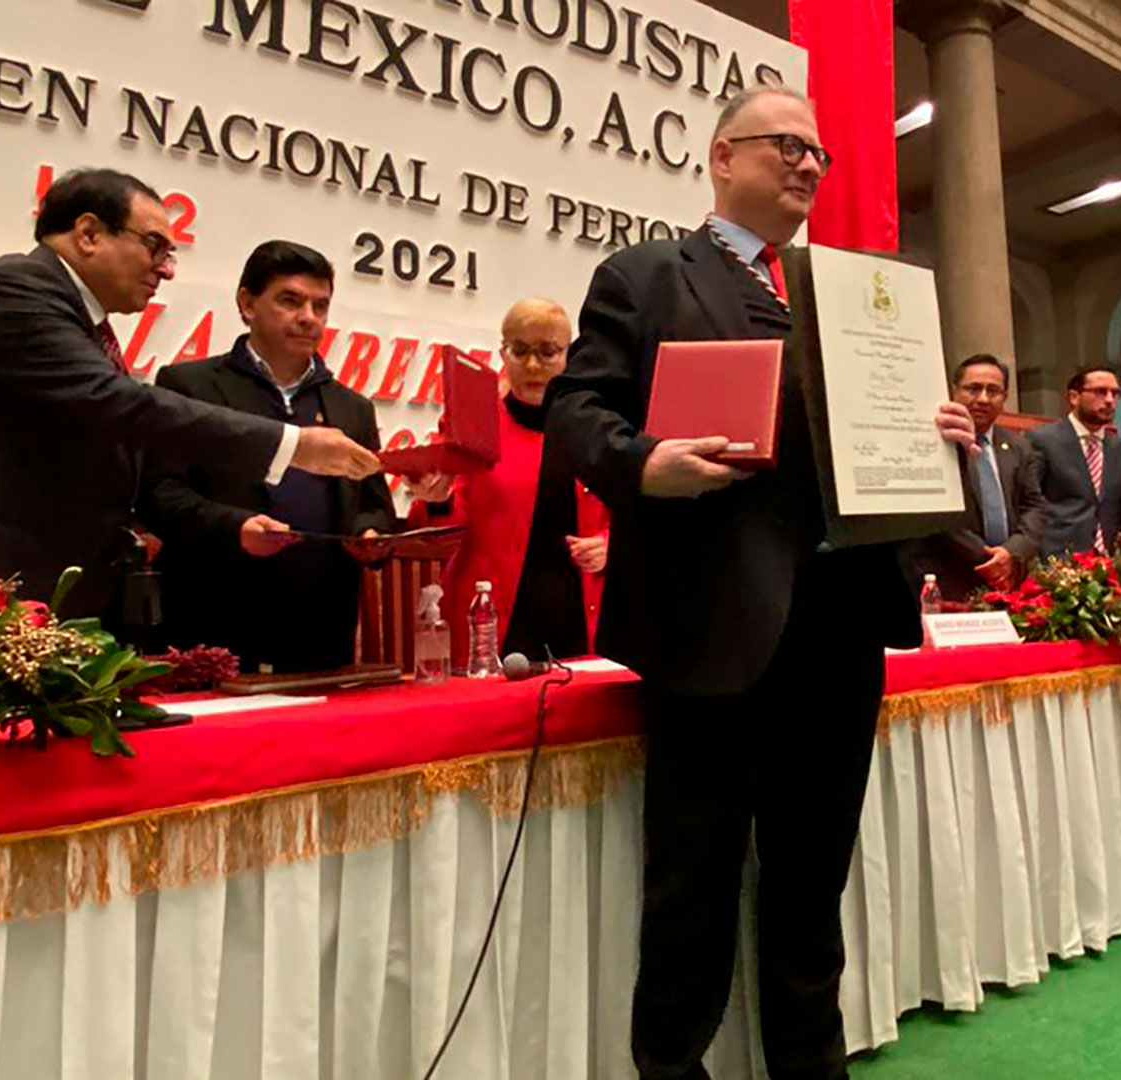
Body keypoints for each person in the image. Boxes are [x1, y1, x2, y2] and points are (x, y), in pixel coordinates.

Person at [543, 85, 978, 1079]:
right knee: (691, 883)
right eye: (787, 144)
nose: (808, 164)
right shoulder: (647, 275)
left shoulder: (851, 297)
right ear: (722, 156)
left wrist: (938, 435)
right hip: (711, 625)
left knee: (812, 879)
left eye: (818, 153)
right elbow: (576, 411)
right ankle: (672, 1069)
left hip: (845, 622)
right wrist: (644, 462)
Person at [0, 167, 379, 623]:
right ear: (89, 234)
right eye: (154, 246)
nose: (166, 269)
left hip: (35, 582)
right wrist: (292, 445)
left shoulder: (77, 319)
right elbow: (115, 402)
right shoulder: (17, 289)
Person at [137, 240, 395, 673]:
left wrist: (369, 536)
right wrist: (235, 528)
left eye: (320, 306)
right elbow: (158, 496)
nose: (308, 317)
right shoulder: (190, 387)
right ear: (247, 303)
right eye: (290, 301)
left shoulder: (353, 408)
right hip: (213, 624)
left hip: (320, 630)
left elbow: (373, 504)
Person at [403, 298, 609, 660]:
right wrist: (437, 500)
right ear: (503, 353)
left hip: (585, 615)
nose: (532, 365)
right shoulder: (474, 423)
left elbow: (634, 507)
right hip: (491, 620)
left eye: (547, 351)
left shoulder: (597, 424)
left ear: (569, 355)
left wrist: (611, 544)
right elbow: (441, 527)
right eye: (520, 350)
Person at [917, 354, 1048, 599]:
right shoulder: (931, 443)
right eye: (973, 388)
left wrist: (1011, 553)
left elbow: (1034, 506)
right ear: (954, 391)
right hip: (950, 578)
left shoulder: (1019, 446)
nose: (983, 399)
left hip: (1010, 580)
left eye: (993, 391)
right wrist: (989, 558)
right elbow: (934, 512)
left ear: (1005, 397)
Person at [1028, 365, 1121, 557]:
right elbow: (1028, 504)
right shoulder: (1042, 442)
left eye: (1115, 393)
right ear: (1074, 397)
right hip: (1059, 560)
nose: (1109, 400)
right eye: (1100, 392)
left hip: (1112, 563)